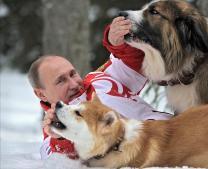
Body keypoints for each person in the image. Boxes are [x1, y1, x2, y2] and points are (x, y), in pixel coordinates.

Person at [28, 16, 173, 160]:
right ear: (41, 94)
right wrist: (61, 135)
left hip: (178, 132)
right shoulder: (53, 135)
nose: (73, 84)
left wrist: (116, 41)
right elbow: (60, 162)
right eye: (61, 81)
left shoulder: (99, 80)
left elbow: (136, 62)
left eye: (73, 74)